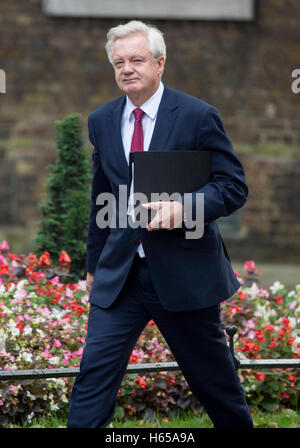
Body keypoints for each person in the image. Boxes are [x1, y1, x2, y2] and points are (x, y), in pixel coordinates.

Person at [67, 20, 254, 429]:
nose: (126, 69)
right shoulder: (101, 120)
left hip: (184, 276)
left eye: (136, 60)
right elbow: (104, 196)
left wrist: (185, 208)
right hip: (121, 277)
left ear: (159, 63)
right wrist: (94, 265)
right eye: (119, 62)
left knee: (216, 384)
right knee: (92, 378)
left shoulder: (198, 116)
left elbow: (233, 186)